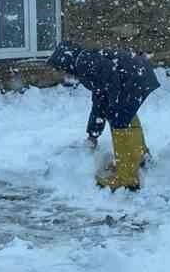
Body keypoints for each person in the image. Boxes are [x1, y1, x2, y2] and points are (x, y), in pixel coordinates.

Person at [48, 41, 158, 191]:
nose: (63, 75)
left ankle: (127, 177)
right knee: (125, 116)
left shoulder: (84, 63)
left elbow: (111, 77)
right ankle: (140, 156)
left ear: (65, 63)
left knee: (119, 121)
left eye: (61, 70)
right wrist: (93, 134)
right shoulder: (84, 60)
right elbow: (99, 100)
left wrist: (114, 104)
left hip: (133, 79)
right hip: (138, 76)